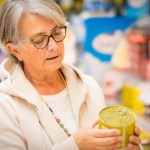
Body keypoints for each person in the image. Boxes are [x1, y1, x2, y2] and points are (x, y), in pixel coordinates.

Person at [0, 0, 142, 150]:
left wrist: (129, 147)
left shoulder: (89, 86)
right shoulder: (6, 105)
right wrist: (76, 145)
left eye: (57, 32)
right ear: (15, 50)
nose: (54, 46)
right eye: (39, 40)